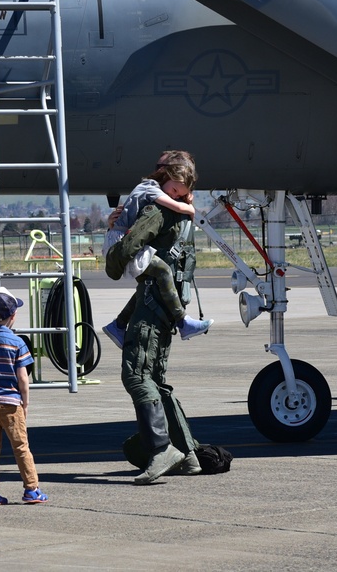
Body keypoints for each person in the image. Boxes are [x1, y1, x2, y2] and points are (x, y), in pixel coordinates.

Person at [106, 188, 205, 484]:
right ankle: (187, 454)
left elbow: (123, 256)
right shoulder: (183, 217)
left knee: (136, 376)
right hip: (165, 308)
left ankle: (162, 449)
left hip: (149, 309)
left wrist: (113, 244)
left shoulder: (156, 212)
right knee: (155, 381)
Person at [102, 152, 212, 348]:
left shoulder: (155, 189)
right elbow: (173, 206)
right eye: (175, 190)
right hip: (121, 242)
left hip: (122, 239)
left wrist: (183, 196)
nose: (175, 195)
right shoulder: (149, 188)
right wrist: (190, 208)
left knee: (148, 286)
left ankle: (117, 325)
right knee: (162, 271)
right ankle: (183, 322)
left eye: (179, 193)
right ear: (168, 176)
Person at [0, 287, 48, 506]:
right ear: (12, 316)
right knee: (21, 446)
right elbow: (23, 378)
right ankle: (31, 488)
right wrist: (25, 402)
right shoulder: (17, 343)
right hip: (10, 402)